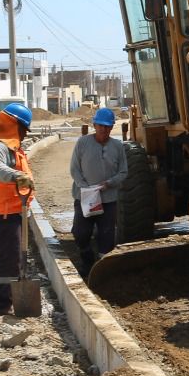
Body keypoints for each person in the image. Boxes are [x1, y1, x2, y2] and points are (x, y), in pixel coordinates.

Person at [0, 101, 36, 316]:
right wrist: (17, 176)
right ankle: (1, 306)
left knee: (14, 257)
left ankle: (9, 300)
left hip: (15, 210)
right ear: (13, 125)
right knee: (9, 259)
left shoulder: (13, 148)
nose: (24, 134)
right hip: (3, 213)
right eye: (22, 129)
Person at [69, 106, 128, 278]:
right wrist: (85, 186)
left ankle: (102, 271)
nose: (103, 129)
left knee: (107, 235)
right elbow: (74, 169)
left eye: (107, 126)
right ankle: (87, 259)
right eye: (100, 125)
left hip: (108, 199)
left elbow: (123, 172)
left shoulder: (117, 146)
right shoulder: (83, 143)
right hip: (85, 198)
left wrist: (109, 183)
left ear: (111, 127)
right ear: (94, 125)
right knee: (80, 232)